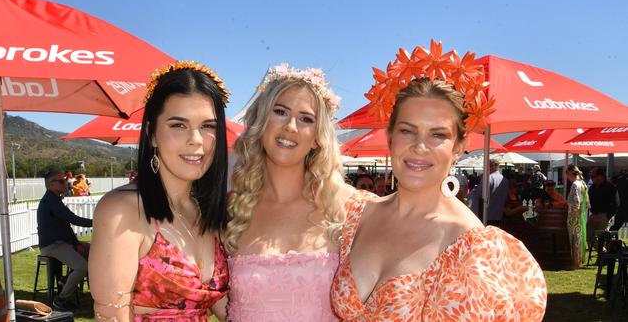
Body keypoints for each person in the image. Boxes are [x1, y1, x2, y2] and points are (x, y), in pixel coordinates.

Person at [331, 43, 546, 320]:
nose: (420, 146)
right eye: (407, 131)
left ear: (459, 146)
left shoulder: (472, 248)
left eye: (438, 135)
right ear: (390, 138)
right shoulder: (357, 212)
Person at [224, 64, 376, 321]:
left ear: (318, 137)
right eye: (280, 112)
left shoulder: (351, 208)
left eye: (306, 118)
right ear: (261, 122)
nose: (291, 127)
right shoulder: (230, 210)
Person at [89, 61, 231, 321]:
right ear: (152, 134)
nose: (196, 140)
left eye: (208, 126)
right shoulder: (123, 210)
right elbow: (111, 315)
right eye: (179, 125)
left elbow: (221, 304)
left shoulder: (207, 211)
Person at [37, 169, 93, 311]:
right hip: (52, 245)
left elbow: (66, 225)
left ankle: (65, 280)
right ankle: (61, 300)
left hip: (61, 242)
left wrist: (75, 243)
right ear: (50, 184)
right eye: (61, 181)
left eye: (65, 180)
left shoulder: (54, 200)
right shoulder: (51, 201)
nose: (65, 183)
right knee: (82, 267)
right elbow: (73, 219)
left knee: (93, 251)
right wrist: (97, 221)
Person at [468, 158, 509, 225]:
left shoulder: (489, 178)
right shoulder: (505, 180)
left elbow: (478, 194)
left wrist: (474, 190)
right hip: (499, 214)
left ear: (492, 166)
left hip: (486, 214)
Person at [587, 167, 618, 249]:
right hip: (593, 215)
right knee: (588, 236)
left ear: (600, 176)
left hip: (604, 216)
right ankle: (603, 253)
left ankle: (602, 256)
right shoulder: (592, 188)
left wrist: (608, 216)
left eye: (593, 176)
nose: (591, 178)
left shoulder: (611, 187)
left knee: (602, 238)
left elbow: (616, 203)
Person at [565, 164, 589, 269]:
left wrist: (573, 215)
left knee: (574, 240)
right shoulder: (583, 183)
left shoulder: (575, 184)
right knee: (579, 239)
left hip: (574, 217)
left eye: (567, 175)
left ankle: (575, 263)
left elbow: (576, 202)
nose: (567, 177)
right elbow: (587, 202)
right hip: (581, 216)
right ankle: (577, 261)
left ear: (570, 173)